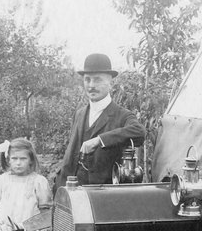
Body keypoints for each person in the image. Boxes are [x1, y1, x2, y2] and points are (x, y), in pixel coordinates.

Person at [55, 53, 145, 191]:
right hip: (74, 193)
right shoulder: (79, 114)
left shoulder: (122, 115)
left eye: (97, 80)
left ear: (111, 82)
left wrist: (99, 140)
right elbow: (71, 155)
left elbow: (139, 132)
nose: (91, 85)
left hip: (105, 196)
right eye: (87, 79)